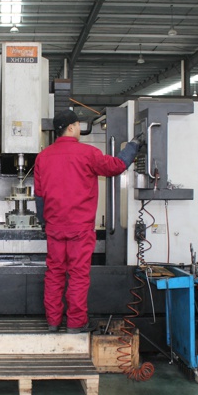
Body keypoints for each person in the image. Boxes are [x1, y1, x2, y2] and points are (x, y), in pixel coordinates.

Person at [34, 109, 142, 333]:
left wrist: (45, 223)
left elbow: (40, 195)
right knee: (78, 275)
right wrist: (133, 146)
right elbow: (116, 166)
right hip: (80, 228)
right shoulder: (87, 153)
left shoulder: (43, 157)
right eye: (78, 126)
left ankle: (53, 322)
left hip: (55, 227)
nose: (79, 129)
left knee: (54, 274)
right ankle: (76, 323)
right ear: (71, 127)